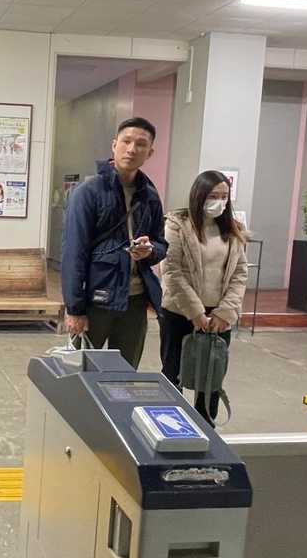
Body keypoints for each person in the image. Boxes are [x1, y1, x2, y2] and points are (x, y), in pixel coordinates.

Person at [60, 117, 167, 367]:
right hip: (96, 300)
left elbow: (161, 245)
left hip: (135, 301)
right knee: (81, 373)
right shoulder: (89, 192)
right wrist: (74, 309)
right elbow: (73, 253)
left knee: (125, 372)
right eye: (126, 141)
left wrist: (150, 250)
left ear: (150, 152)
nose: (132, 149)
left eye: (141, 144)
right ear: (114, 145)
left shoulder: (150, 195)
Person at [158, 170, 249, 423]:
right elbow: (171, 271)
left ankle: (206, 427)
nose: (219, 202)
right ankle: (170, 426)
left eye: (224, 196)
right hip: (179, 313)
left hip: (219, 317)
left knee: (211, 379)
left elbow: (240, 273)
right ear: (199, 195)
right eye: (213, 196)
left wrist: (225, 312)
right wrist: (196, 312)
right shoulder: (177, 225)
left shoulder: (233, 230)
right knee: (173, 373)